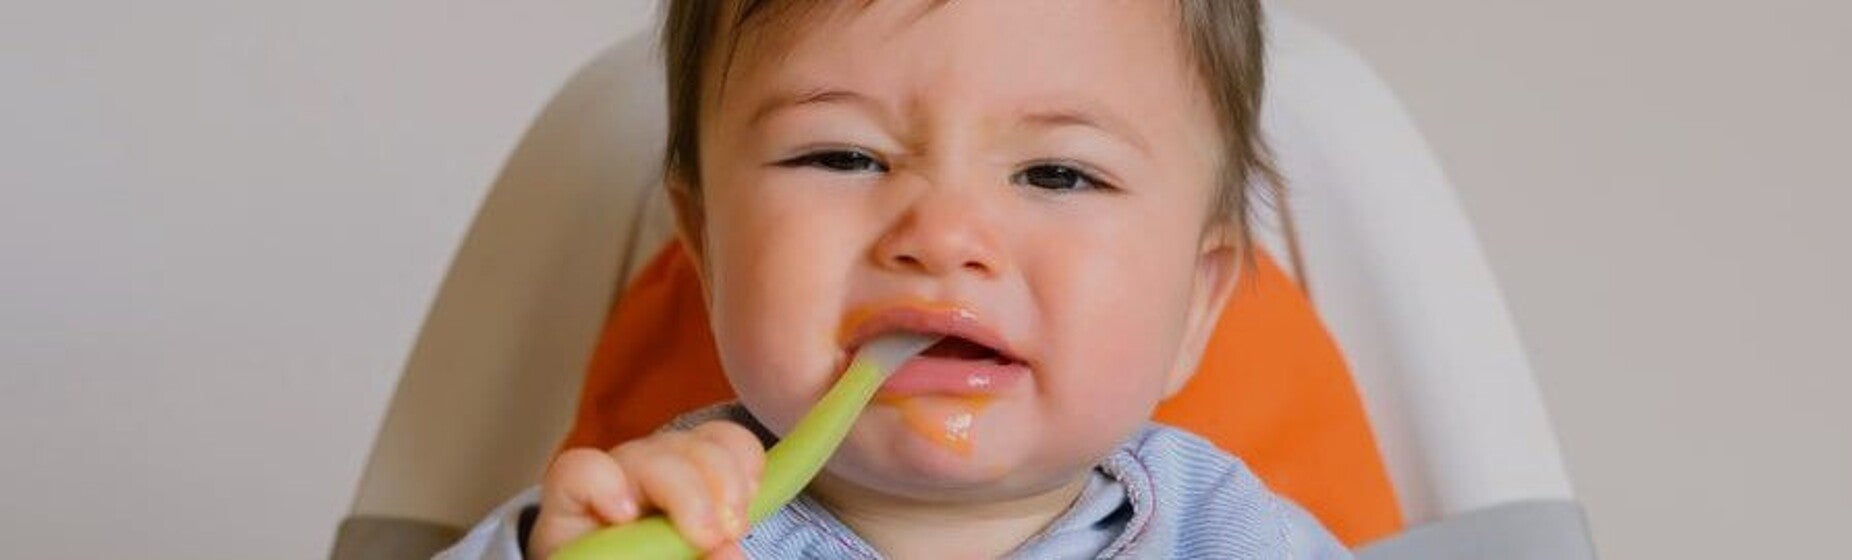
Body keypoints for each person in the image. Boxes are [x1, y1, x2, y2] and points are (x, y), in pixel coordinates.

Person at [441, 1, 1350, 557]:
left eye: (1057, 174)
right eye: (842, 156)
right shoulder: (662, 520)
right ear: (707, 253)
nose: (943, 235)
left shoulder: (1238, 540)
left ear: (1197, 302)